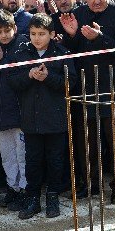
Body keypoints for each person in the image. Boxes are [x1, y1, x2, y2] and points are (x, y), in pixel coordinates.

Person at [59, 0, 115, 201]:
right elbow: (72, 50)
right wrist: (71, 36)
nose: (97, 1)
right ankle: (91, 183)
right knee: (86, 140)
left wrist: (100, 37)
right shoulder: (79, 14)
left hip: (114, 85)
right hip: (86, 86)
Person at [8, 14, 73, 219]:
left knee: (55, 160)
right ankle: (33, 198)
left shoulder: (62, 53)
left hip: (55, 119)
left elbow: (71, 83)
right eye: (33, 34)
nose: (37, 38)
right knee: (32, 160)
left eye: (42, 34)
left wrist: (48, 78)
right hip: (31, 119)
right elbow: (13, 82)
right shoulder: (22, 53)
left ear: (52, 34)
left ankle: (52, 196)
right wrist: (29, 75)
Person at [0, 11, 29, 210]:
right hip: (2, 112)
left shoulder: (22, 46)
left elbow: (19, 75)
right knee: (8, 155)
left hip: (20, 112)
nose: (4, 35)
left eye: (7, 30)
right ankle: (12, 187)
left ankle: (25, 189)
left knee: (22, 154)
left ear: (14, 28)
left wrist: (2, 62)